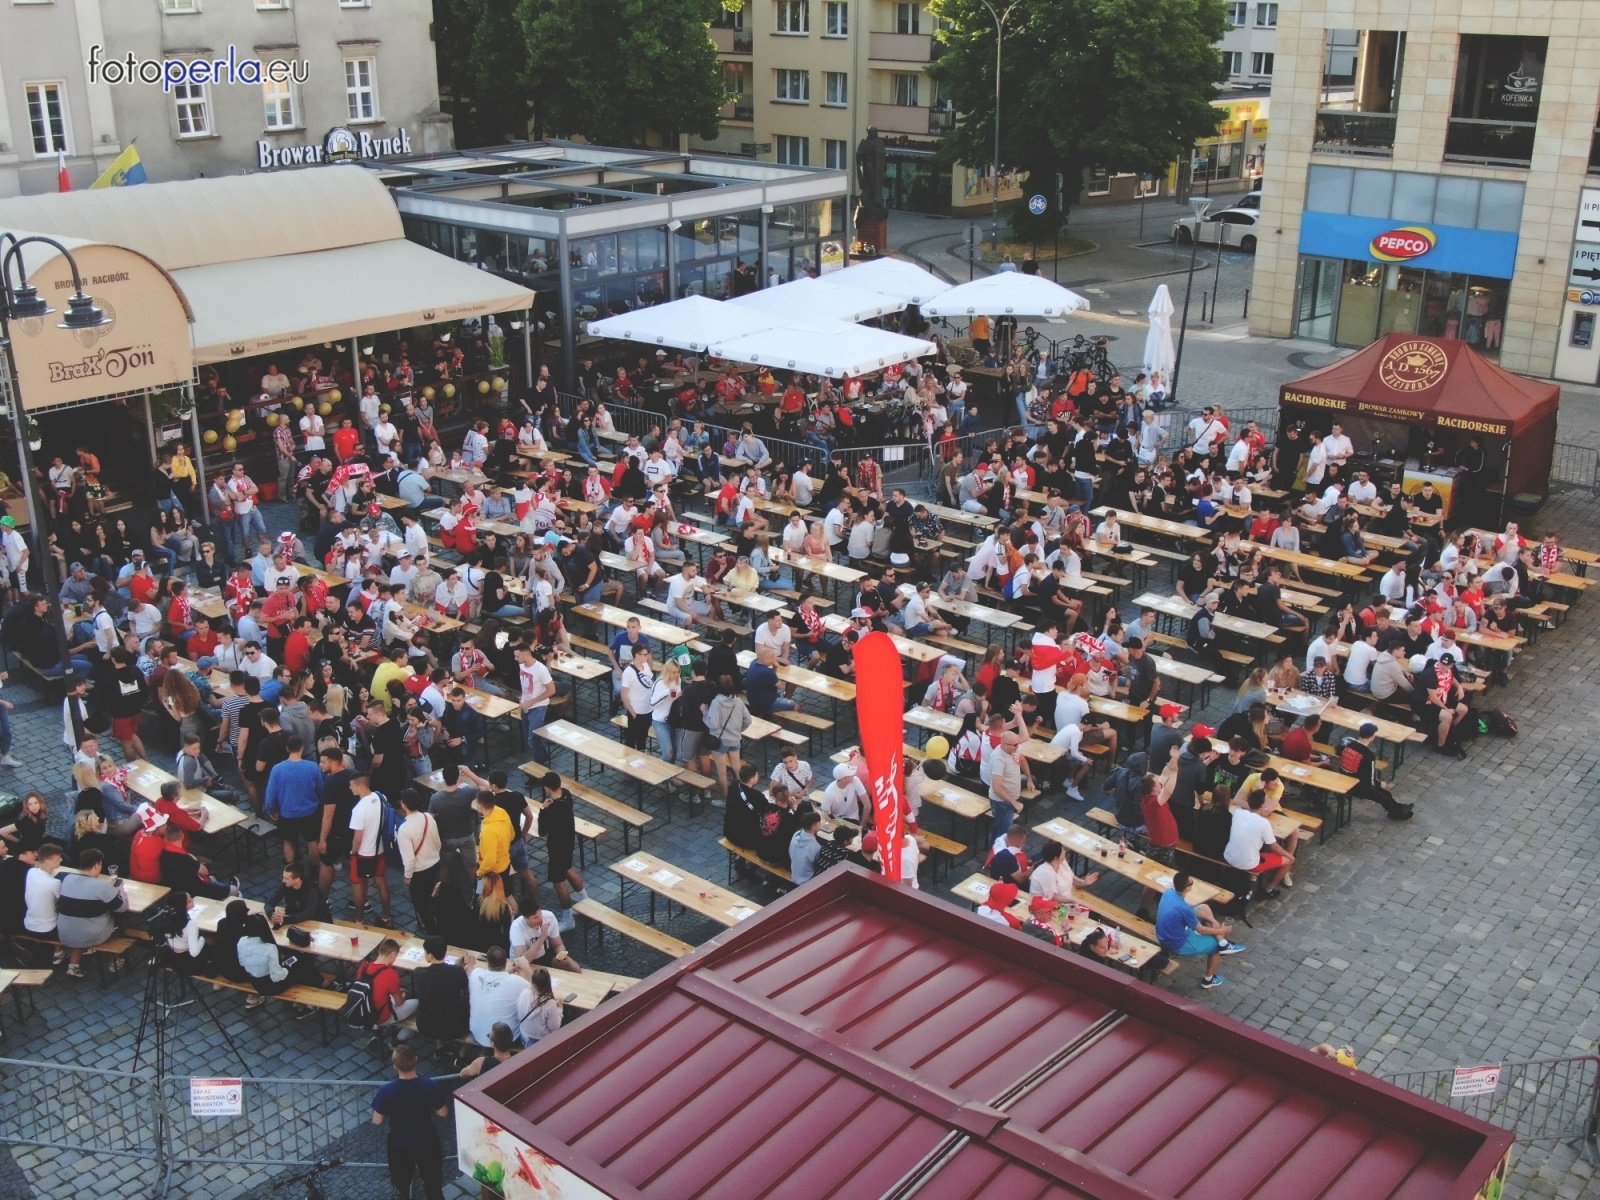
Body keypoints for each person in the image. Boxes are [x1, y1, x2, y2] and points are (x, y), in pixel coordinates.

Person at [371, 1045, 449, 1200]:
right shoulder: (429, 1085)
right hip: (427, 1140)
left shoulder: (387, 1090)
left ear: (395, 1066)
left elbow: (377, 1120)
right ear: (416, 1060)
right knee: (433, 1184)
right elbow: (443, 1112)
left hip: (399, 1144)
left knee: (401, 1188)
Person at [1155, 873, 1243, 990]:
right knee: (1216, 947)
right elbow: (1200, 929)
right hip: (1178, 943)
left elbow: (1192, 913)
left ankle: (1222, 941)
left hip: (1162, 933)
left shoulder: (1168, 893)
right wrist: (1221, 930)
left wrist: (1212, 920)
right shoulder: (1184, 908)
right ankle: (1208, 979)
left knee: (1204, 907)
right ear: (1187, 888)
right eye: (1191, 883)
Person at [56, 849, 126, 977]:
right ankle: (115, 961)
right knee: (117, 922)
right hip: (92, 935)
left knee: (80, 920)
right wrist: (120, 890)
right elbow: (121, 907)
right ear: (96, 866)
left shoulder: (68, 879)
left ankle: (73, 965)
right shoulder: (101, 887)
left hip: (65, 934)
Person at [1336, 721, 1413, 821]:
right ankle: (1396, 813)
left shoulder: (1350, 745)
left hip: (1345, 778)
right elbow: (1371, 780)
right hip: (1357, 785)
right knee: (1384, 796)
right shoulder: (1368, 755)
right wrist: (1380, 784)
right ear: (1372, 737)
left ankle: (1398, 808)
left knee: (1385, 794)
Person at [1224, 789, 1295, 895]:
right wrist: (1289, 855)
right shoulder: (1263, 823)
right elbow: (1273, 846)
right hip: (1248, 863)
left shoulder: (1238, 812)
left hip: (1229, 856)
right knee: (1288, 861)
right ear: (1262, 805)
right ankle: (1268, 889)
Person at [465, 945, 533, 1046]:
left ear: (488, 963)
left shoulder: (476, 974)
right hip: (505, 1041)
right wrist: (526, 967)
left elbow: (470, 970)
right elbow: (538, 989)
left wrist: (470, 963)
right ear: (505, 963)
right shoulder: (515, 981)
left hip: (478, 1035)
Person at [397, 791, 443, 934]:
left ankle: (432, 931)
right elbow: (438, 842)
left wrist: (408, 876)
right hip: (435, 865)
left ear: (404, 805)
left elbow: (409, 859)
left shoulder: (404, 829)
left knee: (422, 905)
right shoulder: (428, 817)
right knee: (435, 898)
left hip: (419, 872)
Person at [410, 935, 471, 1043]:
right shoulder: (457, 971)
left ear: (430, 955)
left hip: (425, 1026)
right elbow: (466, 988)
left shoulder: (418, 973)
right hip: (453, 1028)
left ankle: (440, 1045)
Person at [354, 937, 420, 1031]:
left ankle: (377, 1031)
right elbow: (400, 1002)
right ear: (393, 954)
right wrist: (404, 995)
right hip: (382, 1017)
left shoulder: (364, 967)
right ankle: (402, 1036)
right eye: (395, 957)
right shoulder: (390, 974)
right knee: (418, 1003)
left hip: (364, 1011)